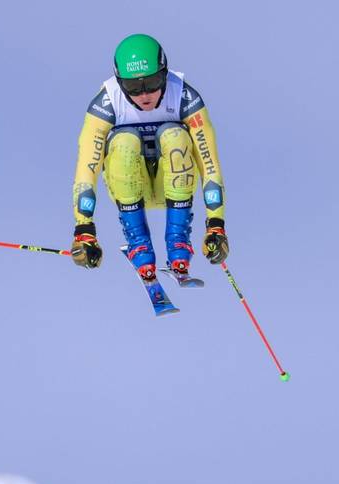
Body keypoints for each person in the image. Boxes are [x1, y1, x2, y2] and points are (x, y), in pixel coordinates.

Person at [69, 34, 229, 291]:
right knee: (124, 141)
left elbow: (209, 163)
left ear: (164, 72)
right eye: (133, 87)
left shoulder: (184, 96)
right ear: (120, 82)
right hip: (130, 187)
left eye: (153, 83)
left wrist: (216, 225)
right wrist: (84, 227)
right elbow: (87, 169)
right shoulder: (107, 102)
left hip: (175, 186)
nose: (145, 94)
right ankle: (138, 244)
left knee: (174, 135)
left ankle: (178, 244)